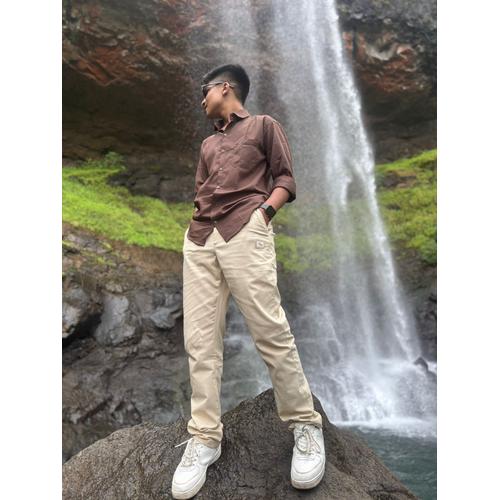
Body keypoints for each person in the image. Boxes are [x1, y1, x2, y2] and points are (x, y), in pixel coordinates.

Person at [171, 63, 325, 499]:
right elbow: (201, 190)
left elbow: (285, 179)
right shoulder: (207, 144)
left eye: (205, 91)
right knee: (200, 341)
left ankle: (305, 425)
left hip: (246, 228)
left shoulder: (263, 125)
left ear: (225, 88)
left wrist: (263, 214)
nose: (201, 100)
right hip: (200, 239)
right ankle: (205, 437)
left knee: (270, 331)